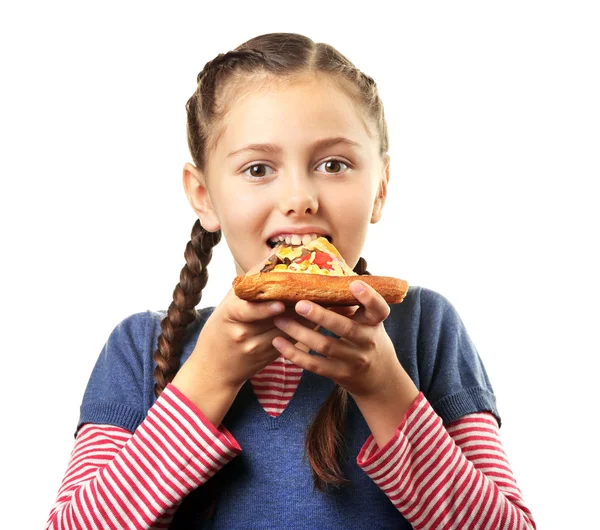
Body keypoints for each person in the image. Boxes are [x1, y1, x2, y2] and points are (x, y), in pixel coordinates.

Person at [46, 32, 536, 529]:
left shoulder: (425, 327)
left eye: (333, 164)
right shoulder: (140, 346)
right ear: (204, 195)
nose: (300, 197)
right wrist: (207, 378)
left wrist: (385, 387)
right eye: (258, 169)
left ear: (380, 188)